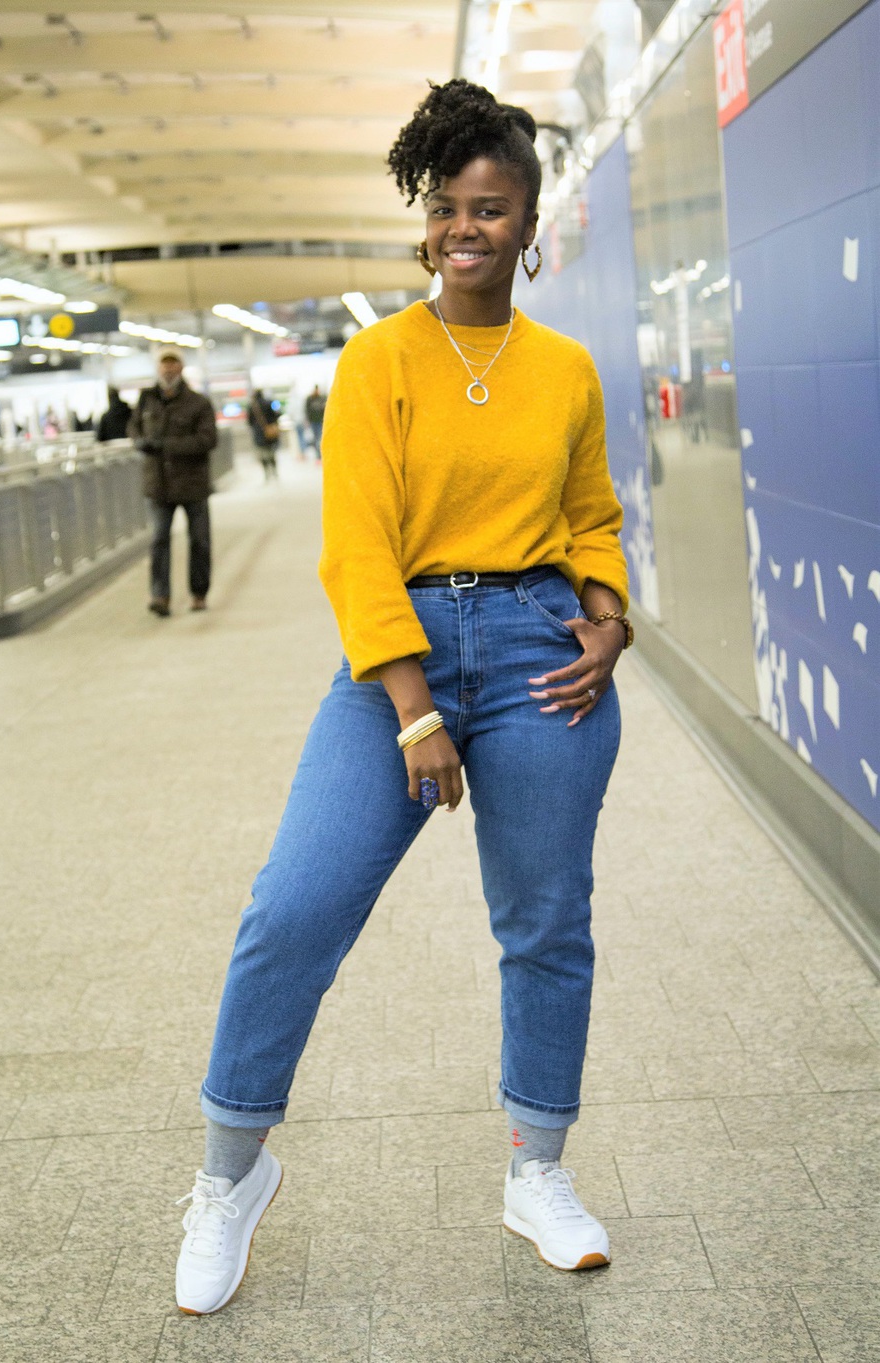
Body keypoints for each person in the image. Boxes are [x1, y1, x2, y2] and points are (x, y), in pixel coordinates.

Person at [174, 78, 633, 1316]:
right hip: (402, 655)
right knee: (296, 906)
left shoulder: (567, 371)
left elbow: (592, 516)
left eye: (489, 209)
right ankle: (230, 1171)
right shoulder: (378, 362)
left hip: (544, 655)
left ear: (529, 221)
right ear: (424, 218)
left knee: (547, 924)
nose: (463, 229)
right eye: (445, 208)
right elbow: (356, 549)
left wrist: (611, 618)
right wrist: (416, 710)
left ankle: (538, 1171)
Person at [129, 349, 217, 616]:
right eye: (164, 366)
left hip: (193, 484)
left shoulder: (198, 403)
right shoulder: (147, 400)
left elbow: (208, 440)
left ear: (181, 368)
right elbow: (133, 427)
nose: (168, 371)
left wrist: (166, 446)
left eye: (173, 365)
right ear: (158, 369)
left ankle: (199, 593)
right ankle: (160, 596)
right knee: (158, 540)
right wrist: (139, 441)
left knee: (199, 540)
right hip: (158, 485)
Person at [247, 389, 281, 480]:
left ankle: (266, 472)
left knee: (262, 453)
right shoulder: (268, 403)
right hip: (269, 432)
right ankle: (274, 470)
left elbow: (249, 421)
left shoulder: (252, 406)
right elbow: (276, 415)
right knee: (271, 451)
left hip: (258, 433)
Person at [303, 383, 327, 458]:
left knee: (320, 438)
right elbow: (307, 410)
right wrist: (307, 420)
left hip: (320, 421)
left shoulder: (322, 398)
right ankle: (318, 456)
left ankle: (320, 455)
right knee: (315, 438)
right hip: (313, 421)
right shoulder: (310, 399)